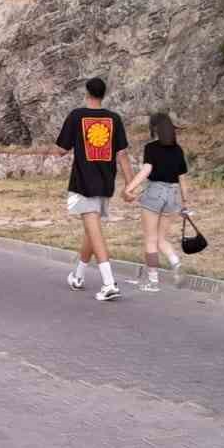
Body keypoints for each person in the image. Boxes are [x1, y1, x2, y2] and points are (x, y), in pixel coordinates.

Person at [55, 76, 132, 302]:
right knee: (92, 230)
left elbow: (61, 149)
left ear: (87, 93)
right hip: (106, 181)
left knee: (94, 231)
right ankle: (78, 276)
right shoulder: (114, 119)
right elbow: (122, 154)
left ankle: (109, 283)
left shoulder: (76, 116)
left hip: (83, 182)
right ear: (103, 94)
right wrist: (130, 184)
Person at [122, 112, 189, 292]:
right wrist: (185, 203)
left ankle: (153, 282)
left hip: (154, 193)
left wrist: (129, 188)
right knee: (161, 239)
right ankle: (176, 263)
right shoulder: (178, 150)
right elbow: (182, 179)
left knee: (150, 240)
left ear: (154, 129)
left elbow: (146, 170)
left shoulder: (151, 148)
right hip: (172, 196)